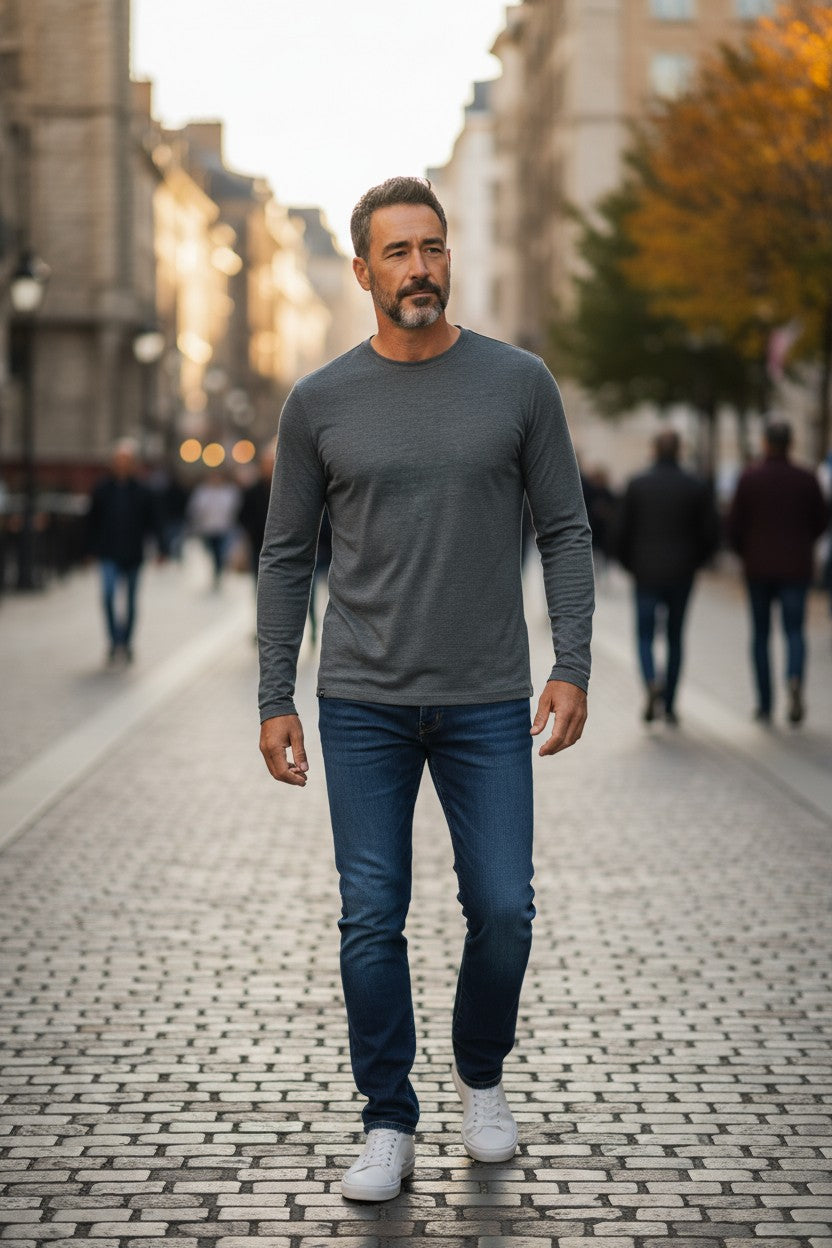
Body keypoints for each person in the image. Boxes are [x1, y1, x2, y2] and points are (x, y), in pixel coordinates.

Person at [257, 176, 594, 1202]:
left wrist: (571, 665)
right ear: (364, 271)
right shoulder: (319, 401)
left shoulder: (518, 383)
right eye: (399, 252)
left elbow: (565, 530)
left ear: (450, 258)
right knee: (371, 916)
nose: (420, 268)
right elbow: (284, 555)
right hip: (361, 700)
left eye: (433, 248)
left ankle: (481, 1075)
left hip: (486, 696)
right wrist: (275, 695)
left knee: (504, 909)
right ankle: (387, 1119)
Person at [616, 430, 719, 725]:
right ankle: (670, 703)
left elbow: (620, 531)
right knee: (675, 637)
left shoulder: (637, 484)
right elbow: (711, 533)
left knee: (645, 635)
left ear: (654, 450)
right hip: (681, 573)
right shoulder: (695, 485)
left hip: (645, 572)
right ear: (679, 451)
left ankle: (651, 681)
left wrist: (629, 564)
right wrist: (695, 562)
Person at [728, 421, 828, 724]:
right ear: (791, 443)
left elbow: (733, 526)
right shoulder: (806, 478)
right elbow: (822, 521)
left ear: (765, 443)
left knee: (761, 635)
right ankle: (794, 678)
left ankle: (765, 703)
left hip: (758, 568)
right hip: (796, 567)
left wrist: (746, 551)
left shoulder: (749, 477)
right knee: (795, 631)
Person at [87, 438, 160, 663]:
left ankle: (126, 642)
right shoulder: (102, 488)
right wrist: (90, 548)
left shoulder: (142, 490)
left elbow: (153, 521)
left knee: (130, 601)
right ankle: (114, 640)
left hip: (133, 553)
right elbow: (92, 521)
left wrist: (161, 548)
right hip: (108, 551)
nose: (122, 464)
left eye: (126, 460)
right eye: (119, 459)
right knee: (108, 595)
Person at [186, 470, 241, 590]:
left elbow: (234, 508)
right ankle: (216, 571)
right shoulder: (202, 492)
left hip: (224, 528)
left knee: (220, 552)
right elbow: (195, 509)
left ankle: (218, 572)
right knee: (212, 552)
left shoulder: (229, 491)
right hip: (207, 529)